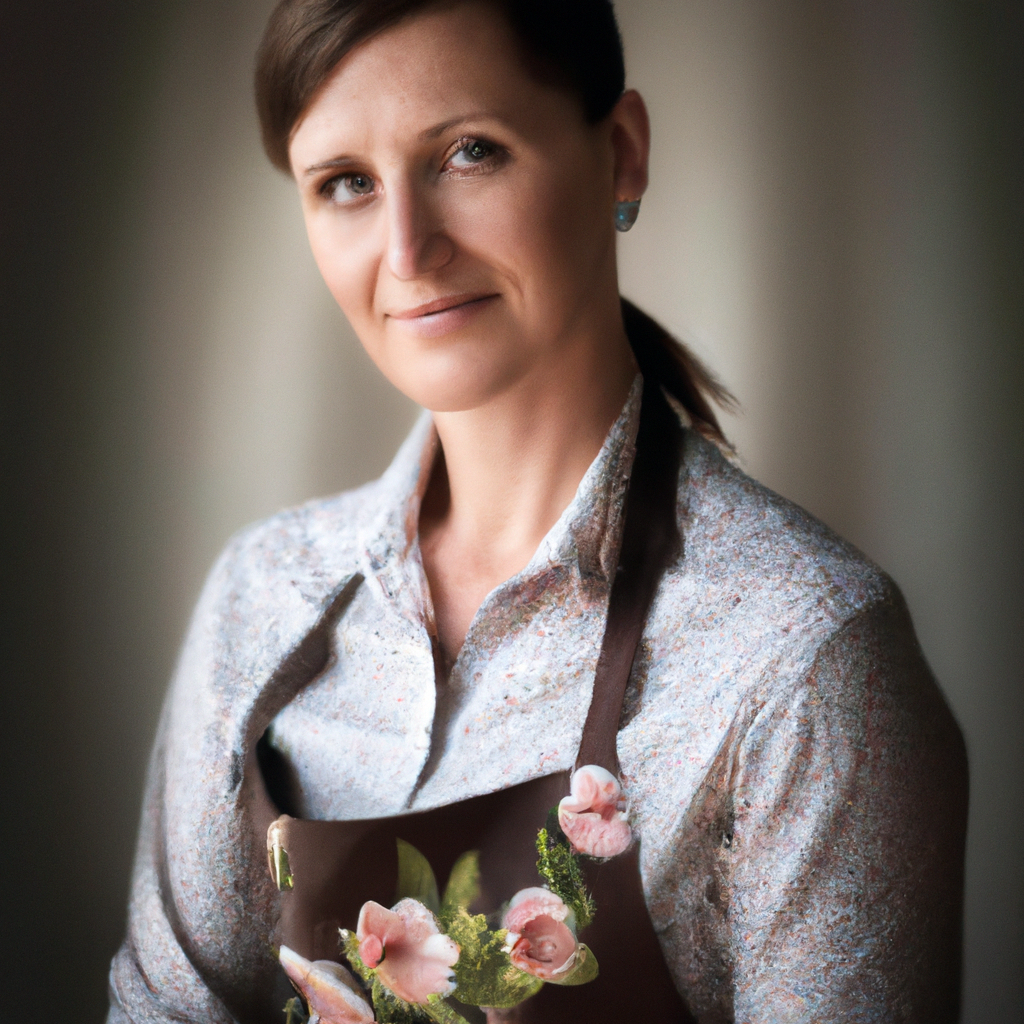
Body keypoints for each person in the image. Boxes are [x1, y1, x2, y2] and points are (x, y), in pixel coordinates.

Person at [107, 1, 968, 1022]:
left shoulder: (804, 654)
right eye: (346, 184)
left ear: (621, 155)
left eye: (470, 152)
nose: (407, 251)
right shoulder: (263, 593)